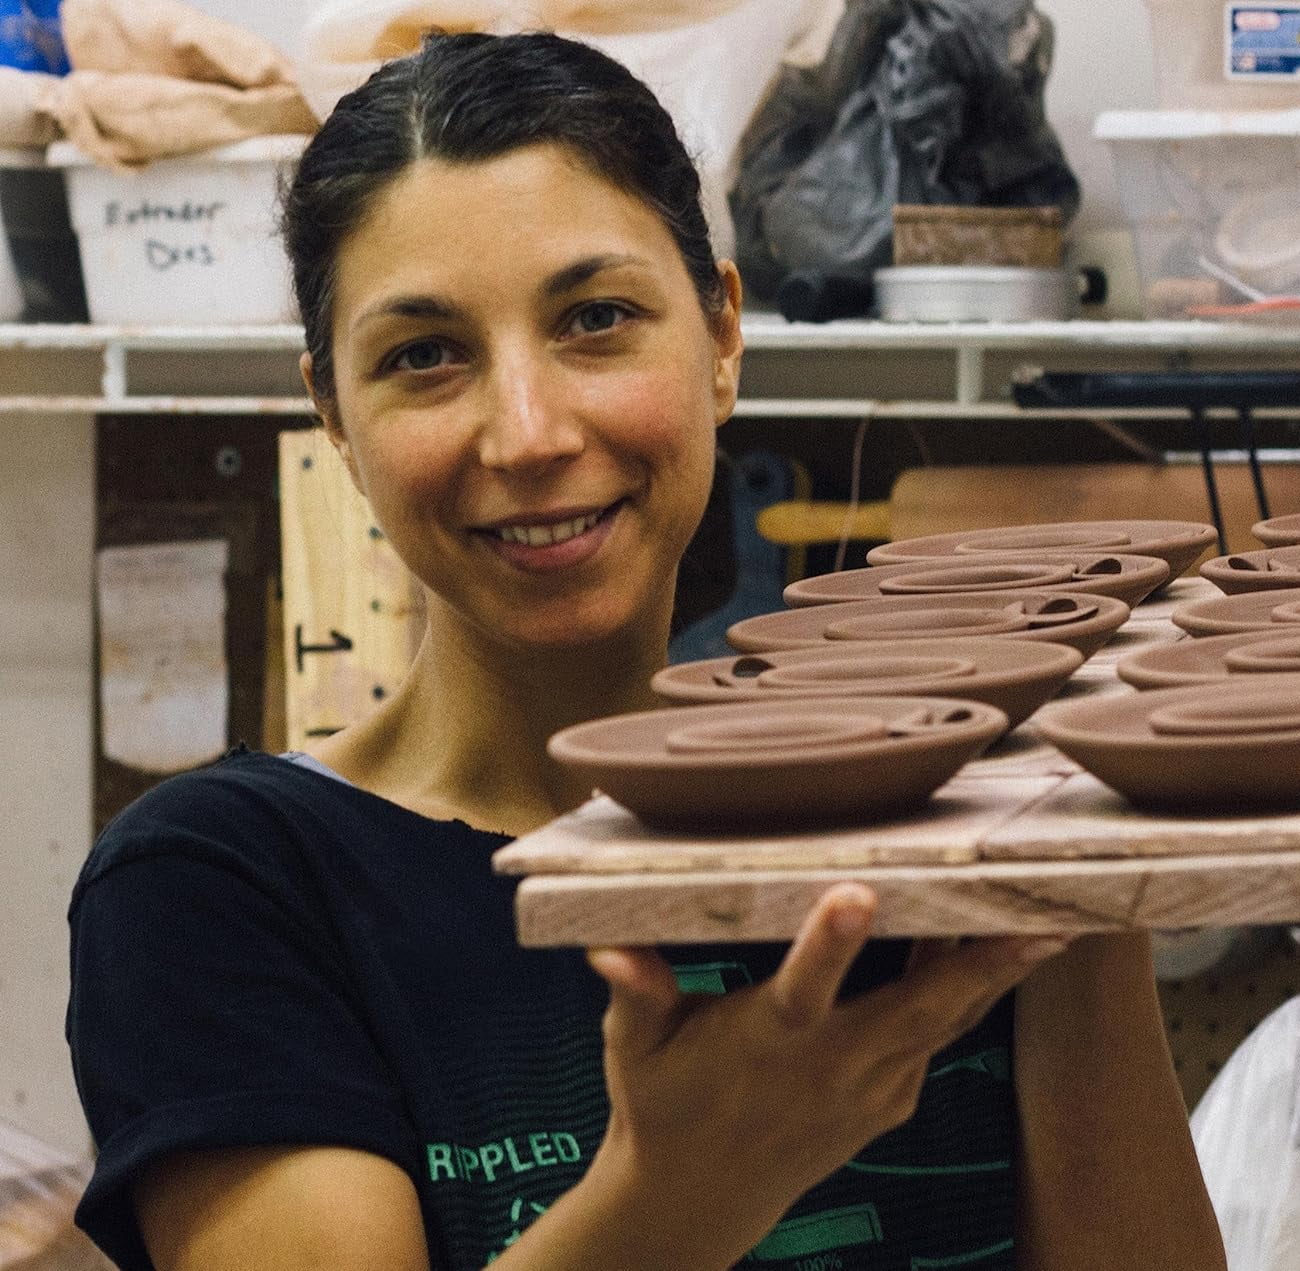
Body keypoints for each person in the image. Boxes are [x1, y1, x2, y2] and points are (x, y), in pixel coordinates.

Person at [66, 31, 1226, 1271]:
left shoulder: (940, 809)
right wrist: (686, 1183)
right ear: (335, 417)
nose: (526, 431)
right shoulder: (225, 885)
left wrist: (1082, 878)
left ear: (722, 337)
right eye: (423, 355)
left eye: (596, 318)